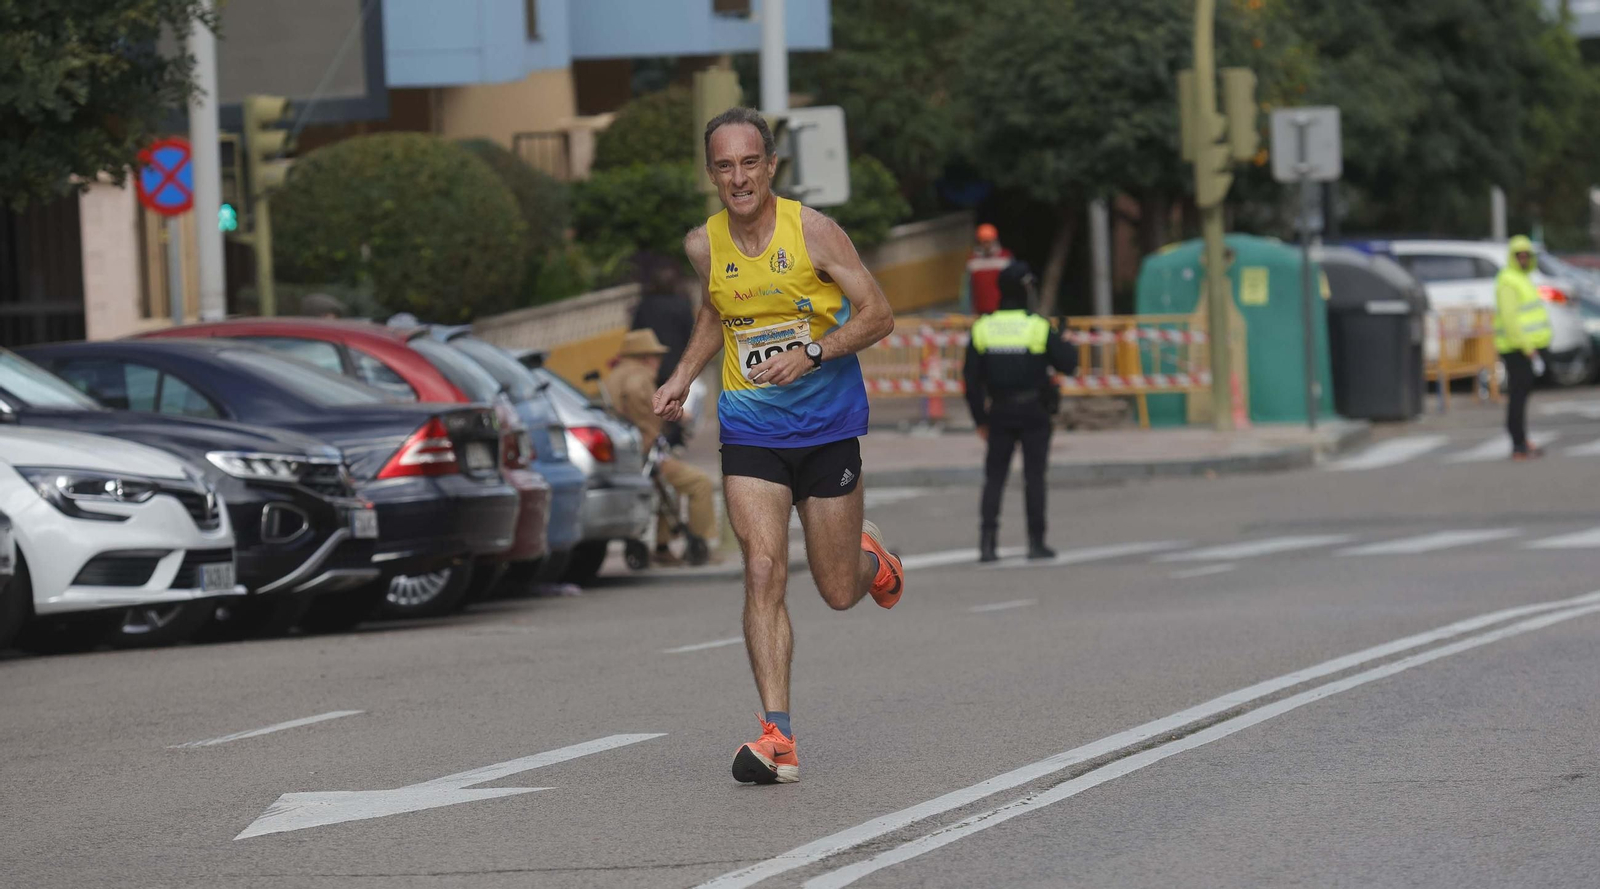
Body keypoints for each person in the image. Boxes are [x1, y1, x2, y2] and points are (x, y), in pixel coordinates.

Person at [652, 107, 904, 786]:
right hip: (751, 427)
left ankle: (873, 561)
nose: (738, 177)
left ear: (770, 166)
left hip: (827, 429)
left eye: (749, 162)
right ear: (712, 174)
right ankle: (779, 736)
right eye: (724, 166)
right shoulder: (703, 245)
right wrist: (680, 375)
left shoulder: (814, 232)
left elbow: (879, 314)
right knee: (762, 568)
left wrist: (813, 352)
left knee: (836, 589)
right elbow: (715, 311)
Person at [964, 261, 1078, 563]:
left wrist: (980, 419)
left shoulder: (983, 328)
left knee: (994, 478)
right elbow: (1068, 363)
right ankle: (1036, 543)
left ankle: (987, 545)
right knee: (1034, 478)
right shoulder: (1037, 326)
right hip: (1034, 411)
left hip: (999, 412)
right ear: (1026, 290)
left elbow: (971, 381)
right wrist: (1065, 341)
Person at [603, 329, 718, 566]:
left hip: (629, 455)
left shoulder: (614, 375)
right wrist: (658, 421)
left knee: (668, 488)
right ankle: (702, 542)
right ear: (646, 357)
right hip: (646, 453)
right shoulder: (639, 377)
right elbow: (641, 405)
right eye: (656, 355)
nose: (659, 361)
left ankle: (664, 546)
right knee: (700, 483)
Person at [630, 253, 698, 446]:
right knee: (673, 402)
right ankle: (674, 441)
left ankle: (656, 440)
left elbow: (634, 334)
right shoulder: (682, 305)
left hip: (650, 363)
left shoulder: (644, 306)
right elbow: (691, 334)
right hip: (675, 363)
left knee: (655, 403)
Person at [1495, 235, 1552, 460]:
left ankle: (1521, 439)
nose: (1523, 259)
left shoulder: (1522, 277)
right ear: (1513, 256)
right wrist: (1527, 347)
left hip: (1527, 347)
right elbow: (1510, 320)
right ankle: (1518, 443)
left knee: (1522, 394)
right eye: (1519, 255)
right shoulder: (1508, 280)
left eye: (1526, 255)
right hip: (1517, 348)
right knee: (1518, 395)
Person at [962, 223, 1013, 316]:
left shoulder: (1005, 258)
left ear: (994, 240)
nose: (986, 245)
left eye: (988, 241)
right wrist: (967, 313)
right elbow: (967, 290)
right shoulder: (973, 261)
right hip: (980, 312)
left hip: (1001, 311)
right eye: (983, 241)